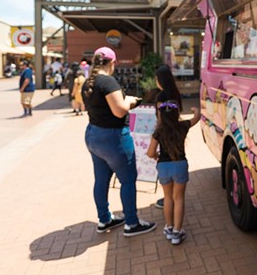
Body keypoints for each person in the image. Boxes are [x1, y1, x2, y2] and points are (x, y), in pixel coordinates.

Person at [82, 46, 156, 237]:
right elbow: (119, 110)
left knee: (101, 180)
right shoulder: (108, 81)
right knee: (128, 180)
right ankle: (131, 223)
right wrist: (131, 101)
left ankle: (104, 219)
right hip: (113, 137)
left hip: (93, 135)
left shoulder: (88, 82)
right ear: (112, 62)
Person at [146, 100, 201, 245]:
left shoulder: (158, 132)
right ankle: (177, 231)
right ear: (177, 114)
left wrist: (157, 156)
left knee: (168, 198)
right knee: (179, 198)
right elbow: (196, 118)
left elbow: (150, 152)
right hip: (180, 165)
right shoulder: (182, 126)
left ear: (160, 115)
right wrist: (196, 110)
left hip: (164, 167)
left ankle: (169, 228)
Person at [151, 64, 183, 209]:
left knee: (165, 159)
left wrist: (157, 134)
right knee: (176, 158)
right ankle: (175, 197)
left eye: (156, 78)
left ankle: (168, 198)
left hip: (164, 133)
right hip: (176, 132)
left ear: (161, 80)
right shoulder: (175, 93)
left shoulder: (161, 96)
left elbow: (160, 118)